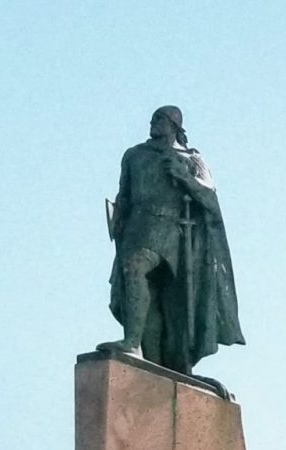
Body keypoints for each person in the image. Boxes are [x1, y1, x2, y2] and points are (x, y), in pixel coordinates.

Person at [100, 104, 244, 376]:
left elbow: (209, 193)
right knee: (152, 297)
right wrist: (119, 214)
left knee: (137, 267)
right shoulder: (134, 155)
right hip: (137, 228)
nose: (152, 123)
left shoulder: (192, 158)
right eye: (153, 118)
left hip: (172, 233)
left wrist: (183, 177)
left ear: (174, 124)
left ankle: (131, 343)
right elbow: (125, 193)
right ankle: (153, 362)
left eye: (159, 119)